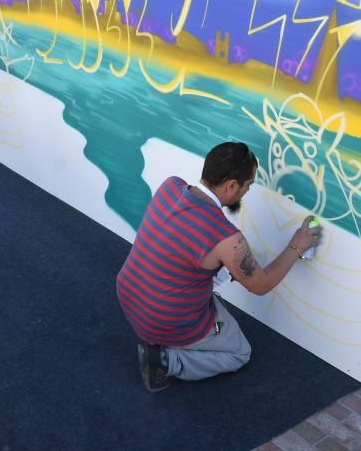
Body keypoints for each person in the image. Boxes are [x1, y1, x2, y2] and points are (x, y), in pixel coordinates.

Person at [116, 141, 322, 393]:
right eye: (248, 185)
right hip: (161, 317)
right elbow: (262, 284)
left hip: (128, 295)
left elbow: (182, 243)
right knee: (240, 353)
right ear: (232, 185)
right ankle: (164, 359)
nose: (247, 192)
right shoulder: (227, 239)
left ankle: (168, 338)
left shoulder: (171, 186)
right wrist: (296, 245)